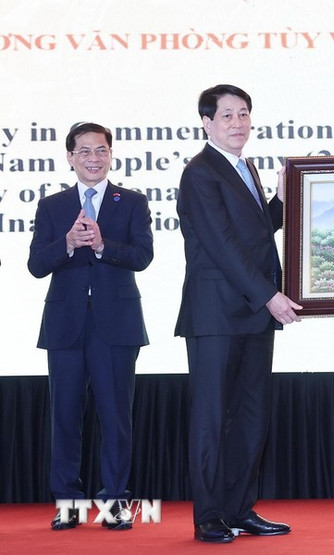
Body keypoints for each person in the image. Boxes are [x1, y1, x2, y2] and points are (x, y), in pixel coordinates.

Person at [175, 84, 302, 543]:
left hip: (253, 313)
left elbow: (257, 231)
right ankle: (209, 515)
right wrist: (270, 296)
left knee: (251, 416)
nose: (237, 123)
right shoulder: (199, 172)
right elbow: (222, 245)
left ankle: (240, 508)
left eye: (243, 113)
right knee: (212, 418)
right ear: (206, 123)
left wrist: (284, 200)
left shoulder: (245, 166)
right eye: (226, 115)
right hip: (216, 316)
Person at [28, 122, 154, 531]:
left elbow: (142, 256)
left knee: (116, 418)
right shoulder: (52, 206)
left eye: (101, 150)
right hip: (65, 326)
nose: (93, 158)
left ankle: (115, 503)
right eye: (84, 151)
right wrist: (67, 243)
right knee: (65, 418)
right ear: (70, 157)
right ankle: (68, 504)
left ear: (111, 155)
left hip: (116, 326)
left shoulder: (131, 202)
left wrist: (102, 246)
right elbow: (36, 265)